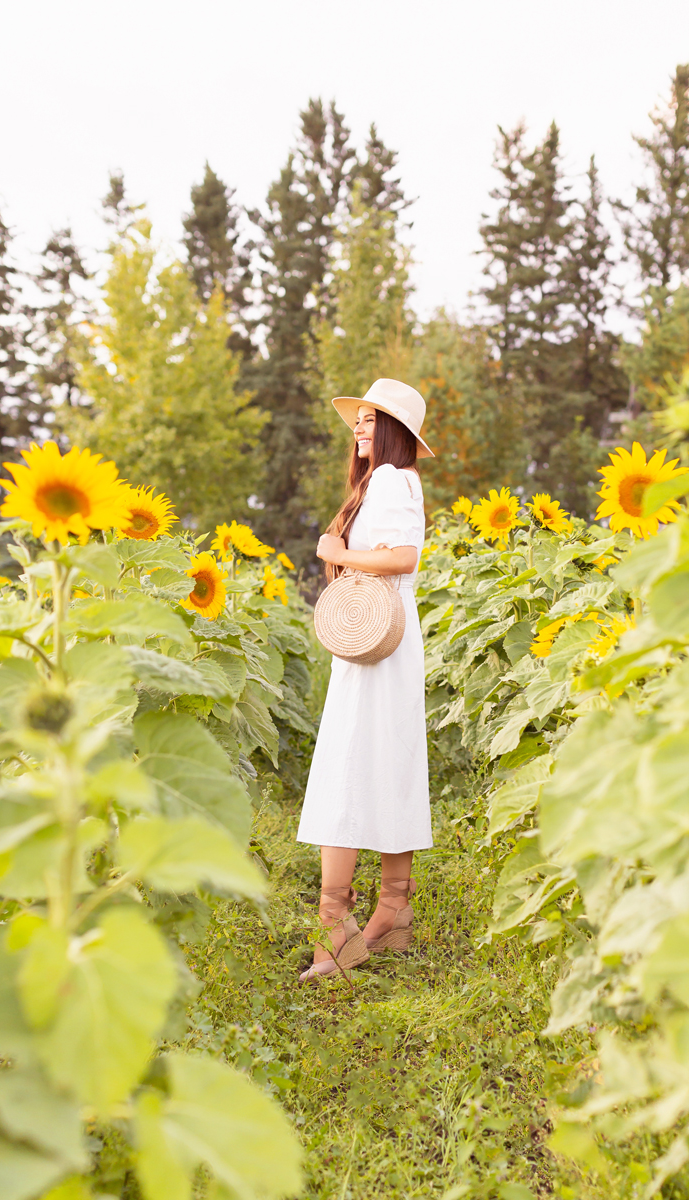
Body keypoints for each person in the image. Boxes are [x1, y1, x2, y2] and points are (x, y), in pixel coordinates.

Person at [297, 378, 434, 982]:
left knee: (345, 770)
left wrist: (339, 551)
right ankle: (393, 912)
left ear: (393, 431)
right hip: (386, 639)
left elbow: (403, 557)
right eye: (358, 417)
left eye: (371, 418)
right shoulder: (391, 482)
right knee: (388, 766)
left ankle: (335, 928)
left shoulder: (388, 480)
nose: (358, 426)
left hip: (377, 641)